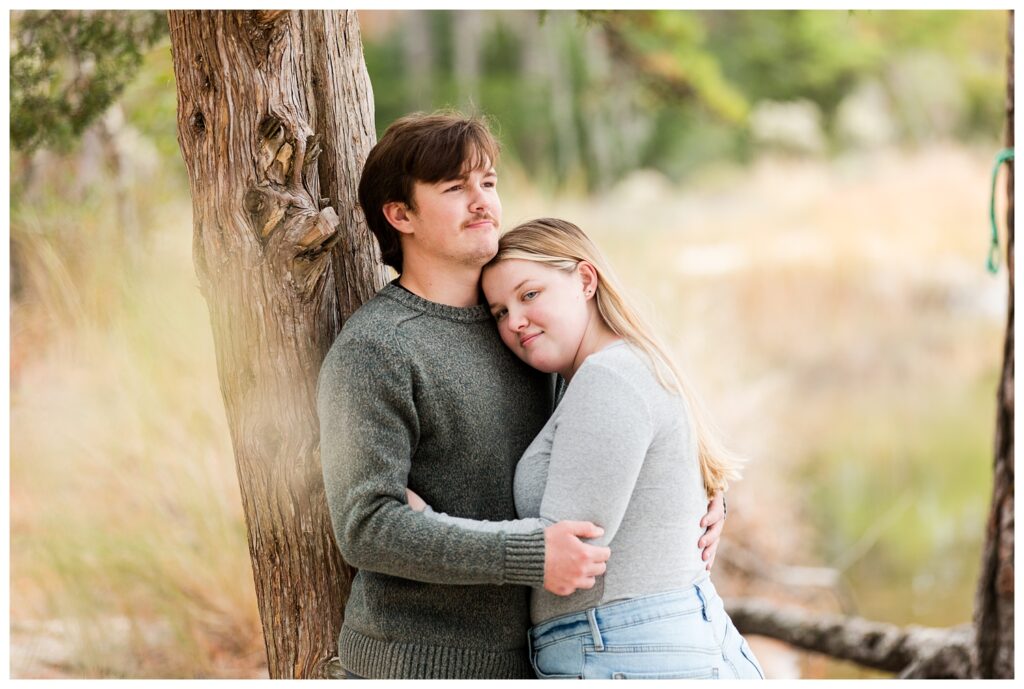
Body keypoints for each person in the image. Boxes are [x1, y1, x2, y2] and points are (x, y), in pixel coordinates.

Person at [318, 112, 726, 680]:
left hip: (544, 656)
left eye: (487, 182)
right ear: (400, 215)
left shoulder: (526, 328)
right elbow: (366, 526)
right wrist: (531, 552)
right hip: (421, 661)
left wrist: (698, 498)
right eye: (455, 188)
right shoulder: (376, 349)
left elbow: (615, 426)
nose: (482, 200)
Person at [408, 217, 763, 680]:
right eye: (498, 311)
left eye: (529, 294)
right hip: (640, 644)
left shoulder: (607, 377)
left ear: (585, 280)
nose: (515, 321)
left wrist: (423, 524)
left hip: (624, 650)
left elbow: (572, 551)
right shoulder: (615, 370)